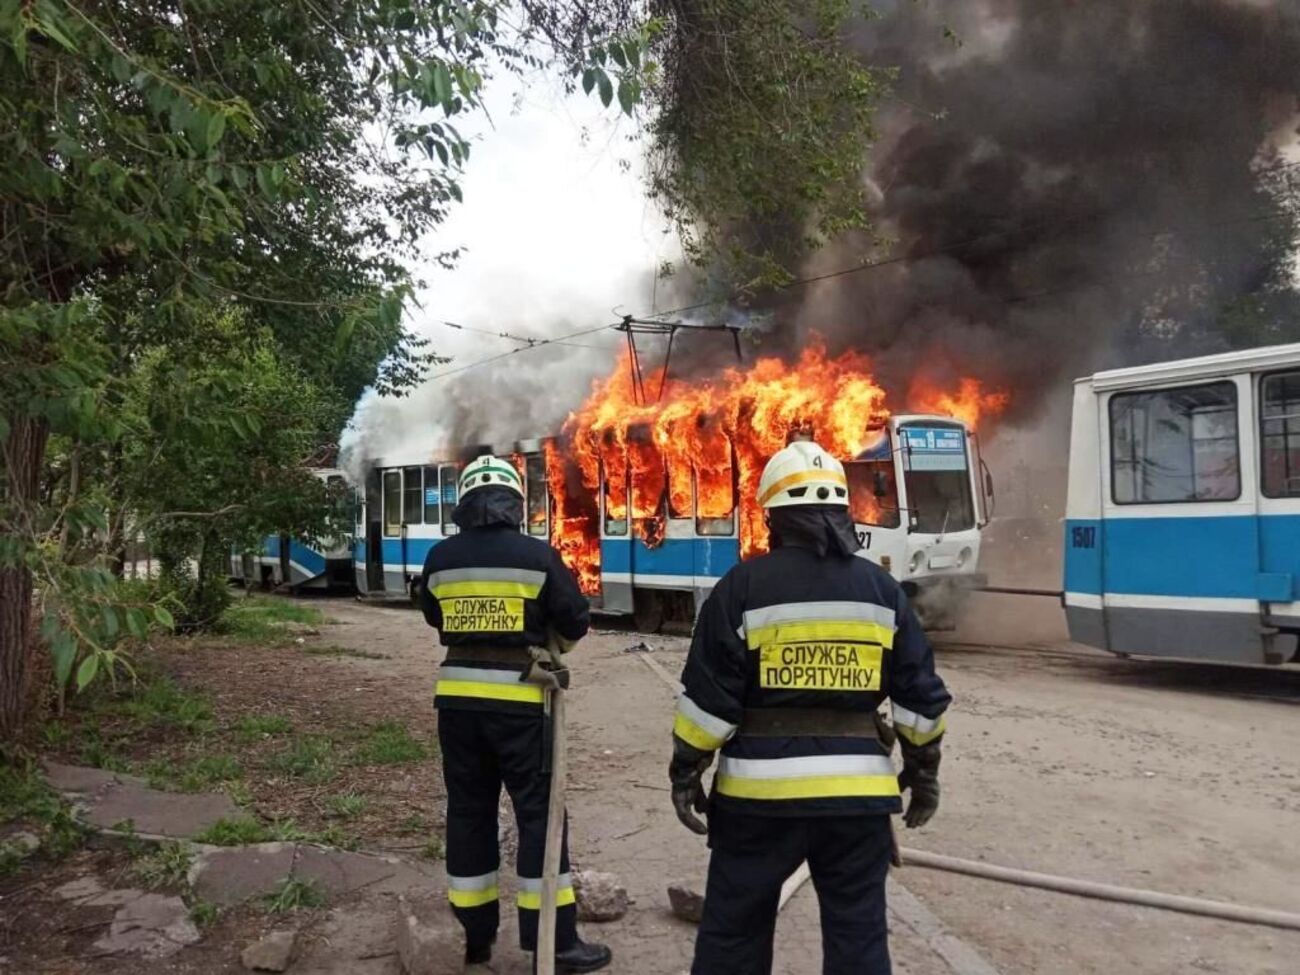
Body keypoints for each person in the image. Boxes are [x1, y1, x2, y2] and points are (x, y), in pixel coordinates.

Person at [669, 438, 950, 975]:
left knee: (734, 933)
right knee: (858, 937)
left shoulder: (741, 588)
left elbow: (708, 705)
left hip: (757, 803)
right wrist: (923, 771)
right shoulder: (881, 590)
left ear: (772, 515)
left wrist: (687, 771)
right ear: (844, 510)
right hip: (857, 803)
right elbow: (921, 699)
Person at [419, 453, 611, 973]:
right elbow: (574, 619)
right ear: (514, 504)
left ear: (465, 506)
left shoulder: (440, 558)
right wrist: (552, 647)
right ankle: (552, 942)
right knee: (539, 817)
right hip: (522, 705)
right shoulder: (537, 556)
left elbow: (435, 618)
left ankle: (474, 937)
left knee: (468, 811)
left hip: (457, 703)